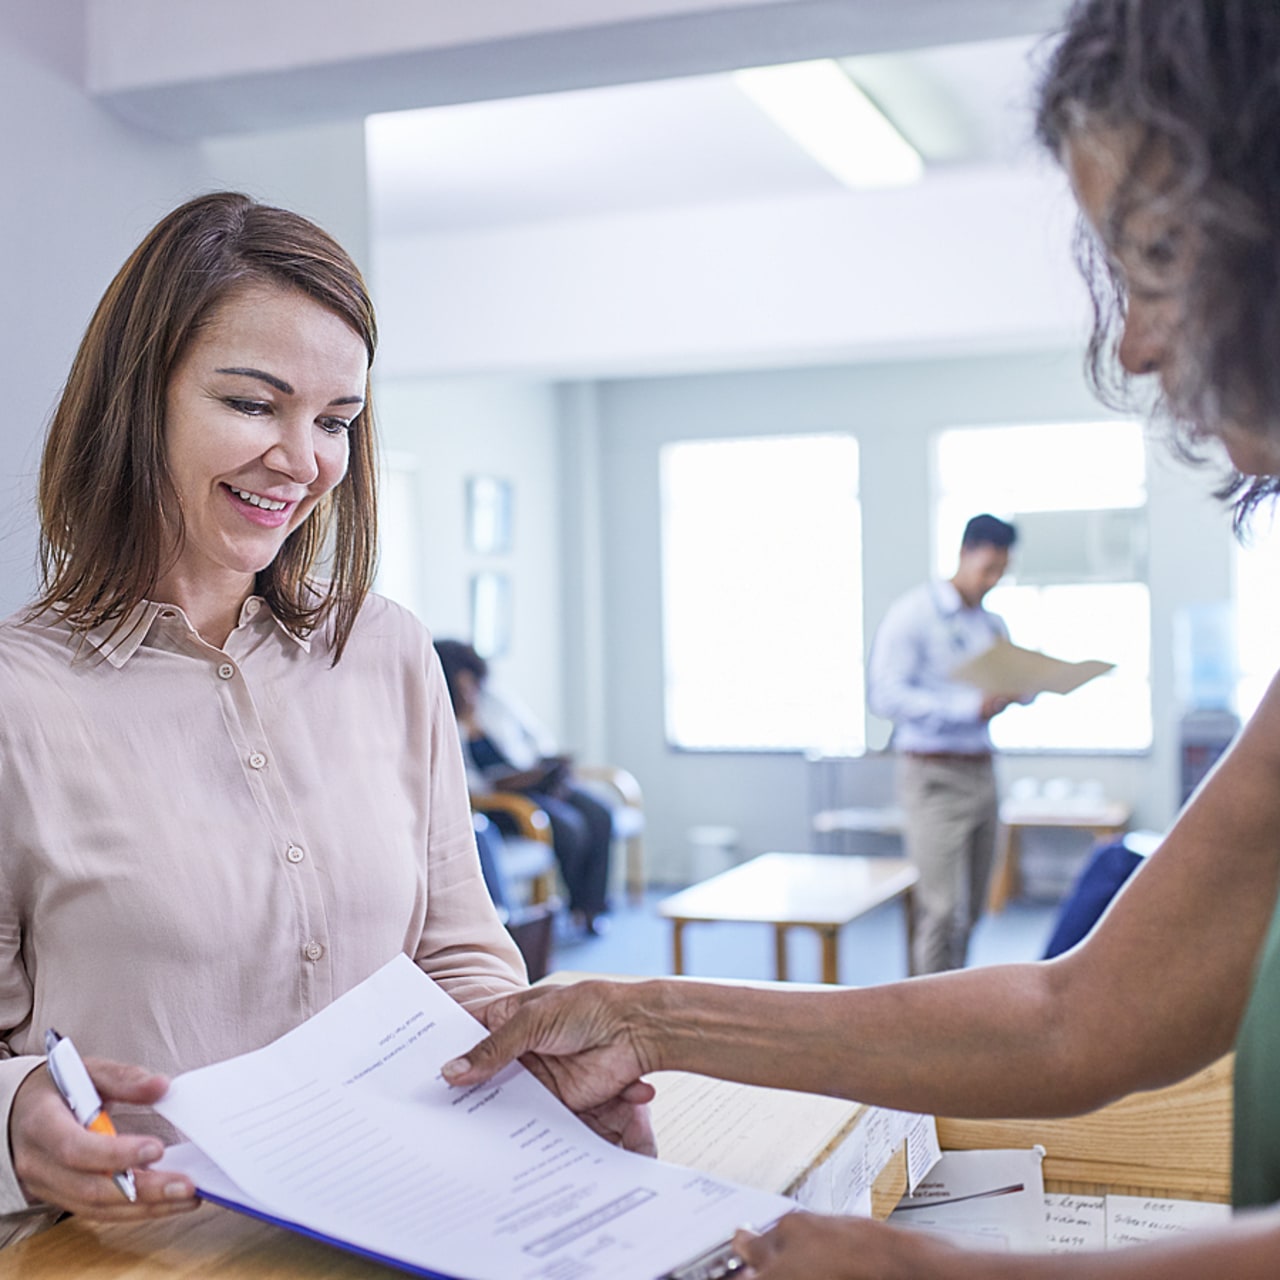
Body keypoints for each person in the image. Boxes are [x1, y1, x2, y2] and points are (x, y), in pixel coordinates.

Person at [442, 2, 1280, 1273]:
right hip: (934, 766)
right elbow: (1073, 1013)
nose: (1135, 337)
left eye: (1159, 255)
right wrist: (642, 1010)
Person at [0, 192, 645, 1250]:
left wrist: (531, 1063)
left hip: (419, 1230)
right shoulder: (18, 699)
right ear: (137, 399)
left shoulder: (385, 650)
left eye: (336, 421)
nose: (303, 460)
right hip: (152, 1256)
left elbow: (455, 946)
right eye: (255, 404)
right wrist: (18, 1117)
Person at [866, 513, 1018, 975]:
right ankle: (922, 1022)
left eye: (1001, 572)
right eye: (987, 568)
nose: (992, 581)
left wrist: (1019, 689)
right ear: (964, 553)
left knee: (971, 910)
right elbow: (884, 694)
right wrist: (965, 708)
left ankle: (952, 1003)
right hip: (933, 775)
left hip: (981, 771)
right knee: (941, 910)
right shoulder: (914, 614)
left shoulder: (990, 624)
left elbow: (1004, 679)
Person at [434, 639, 613, 936]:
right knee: (569, 828)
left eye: (473, 682)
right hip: (502, 800)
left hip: (538, 781)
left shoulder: (494, 701)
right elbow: (464, 781)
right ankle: (572, 909)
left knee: (600, 813)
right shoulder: (442, 718)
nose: (470, 691)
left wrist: (545, 766)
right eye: (461, 685)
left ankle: (591, 908)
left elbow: (537, 737)